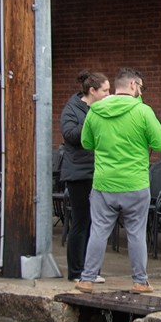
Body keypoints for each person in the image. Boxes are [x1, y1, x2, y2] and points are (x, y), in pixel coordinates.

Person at [75, 68, 161, 294]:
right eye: (141, 87)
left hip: (104, 183)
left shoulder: (95, 111)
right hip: (135, 183)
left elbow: (86, 143)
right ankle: (140, 281)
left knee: (98, 231)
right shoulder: (143, 111)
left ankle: (87, 279)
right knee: (136, 232)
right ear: (134, 86)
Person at [60, 70, 110, 283]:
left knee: (96, 223)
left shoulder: (101, 108)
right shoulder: (73, 109)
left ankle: (91, 270)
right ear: (92, 91)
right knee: (81, 221)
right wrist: (92, 116)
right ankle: (76, 271)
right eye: (105, 90)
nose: (109, 94)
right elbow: (70, 135)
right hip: (79, 173)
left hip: (97, 171)